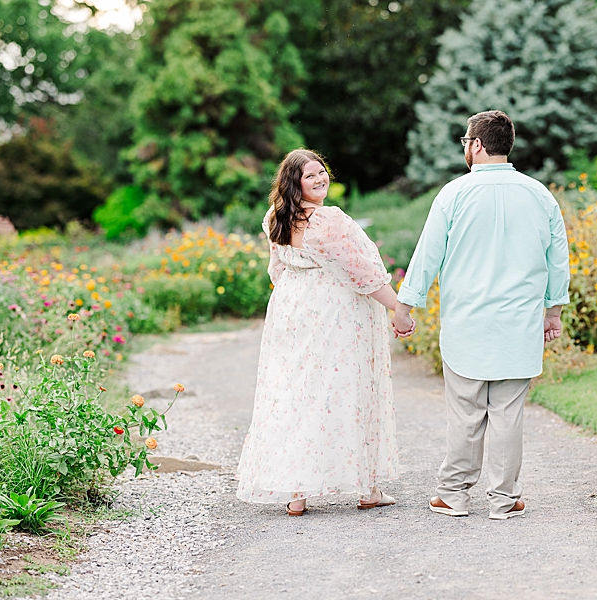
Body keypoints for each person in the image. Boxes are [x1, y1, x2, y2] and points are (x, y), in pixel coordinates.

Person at [392, 110, 570, 520]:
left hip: (467, 326)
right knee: (508, 413)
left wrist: (406, 307)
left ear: (475, 145)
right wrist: (553, 311)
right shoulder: (540, 194)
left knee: (466, 412)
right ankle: (504, 500)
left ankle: (453, 494)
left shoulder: (453, 194)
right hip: (519, 325)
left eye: (464, 143)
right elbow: (557, 260)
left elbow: (426, 256)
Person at [236, 149, 408, 516]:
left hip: (291, 309)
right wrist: (398, 309)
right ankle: (367, 488)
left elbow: (276, 269)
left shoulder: (275, 217)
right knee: (347, 389)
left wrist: (294, 301)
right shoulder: (328, 221)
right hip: (334, 313)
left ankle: (296, 492)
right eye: (310, 176)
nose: (320, 179)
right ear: (293, 183)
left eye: (321, 172)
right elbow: (362, 274)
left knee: (297, 393)